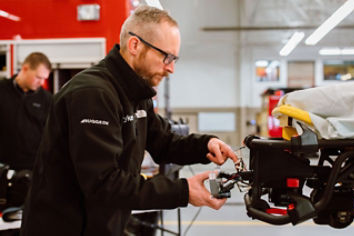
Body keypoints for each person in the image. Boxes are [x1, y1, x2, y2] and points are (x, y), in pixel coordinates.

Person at [20, 5, 238, 236]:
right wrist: (183, 191)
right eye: (167, 56)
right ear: (135, 45)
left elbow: (163, 141)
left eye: (175, 59)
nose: (171, 68)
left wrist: (205, 145)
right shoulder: (93, 94)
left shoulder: (135, 92)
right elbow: (104, 183)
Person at [0, 52, 52, 171]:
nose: (42, 83)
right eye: (38, 77)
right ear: (25, 68)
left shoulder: (47, 99)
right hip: (3, 167)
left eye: (44, 79)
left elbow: (50, 136)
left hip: (32, 169)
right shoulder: (2, 90)